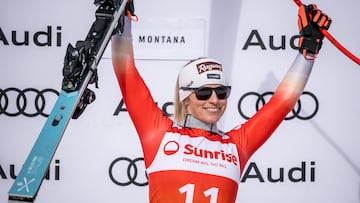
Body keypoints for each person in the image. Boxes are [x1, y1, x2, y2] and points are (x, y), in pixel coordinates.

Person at [111, 4, 331, 203]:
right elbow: (127, 73)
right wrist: (123, 17)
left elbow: (281, 103)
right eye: (204, 93)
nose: (214, 100)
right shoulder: (160, 135)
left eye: (222, 92)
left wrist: (308, 51)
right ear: (185, 98)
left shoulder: (237, 146)